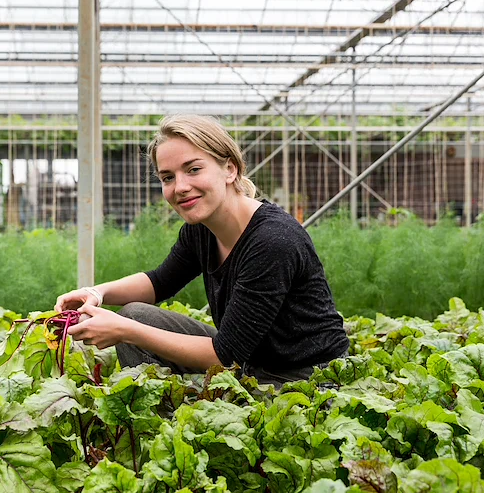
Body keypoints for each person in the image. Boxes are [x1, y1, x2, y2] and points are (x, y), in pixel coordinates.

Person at [55, 114, 349, 387]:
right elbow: (159, 282)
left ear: (229, 169)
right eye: (167, 177)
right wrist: (97, 293)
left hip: (305, 377)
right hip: (249, 362)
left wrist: (123, 330)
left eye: (193, 169)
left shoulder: (273, 240)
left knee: (132, 326)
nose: (180, 187)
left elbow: (224, 356)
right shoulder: (201, 230)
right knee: (135, 315)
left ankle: (174, 425)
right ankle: (158, 424)